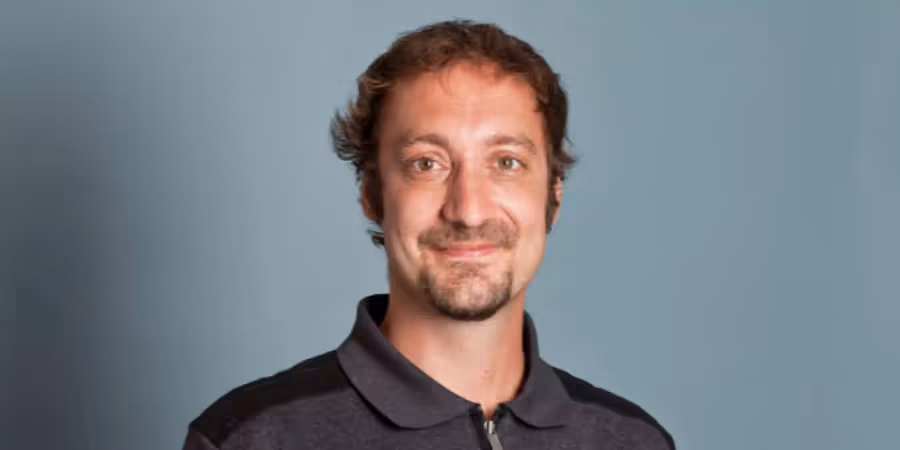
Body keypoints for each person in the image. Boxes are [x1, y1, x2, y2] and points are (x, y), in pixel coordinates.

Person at [183, 19, 674, 450]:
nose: (468, 210)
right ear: (372, 194)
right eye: (427, 163)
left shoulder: (632, 441)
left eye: (507, 162)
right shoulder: (254, 438)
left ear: (554, 197)